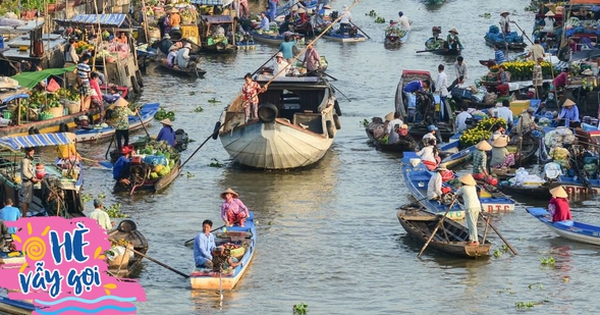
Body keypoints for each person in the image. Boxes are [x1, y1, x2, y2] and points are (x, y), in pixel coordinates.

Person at [455, 174, 481, 245]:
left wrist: (458, 189)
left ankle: (476, 241)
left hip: (470, 207)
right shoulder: (473, 187)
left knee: (472, 224)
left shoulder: (463, 188)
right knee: (473, 223)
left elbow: (456, 193)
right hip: (477, 206)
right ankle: (471, 239)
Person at [19, 147, 39, 217]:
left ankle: (25, 215)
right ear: (26, 151)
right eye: (30, 151)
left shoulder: (30, 159)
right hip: (26, 182)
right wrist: (32, 178)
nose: (31, 152)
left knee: (28, 200)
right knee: (25, 199)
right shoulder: (25, 160)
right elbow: (25, 172)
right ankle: (24, 216)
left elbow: (30, 171)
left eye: (32, 150)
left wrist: (34, 178)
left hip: (30, 182)